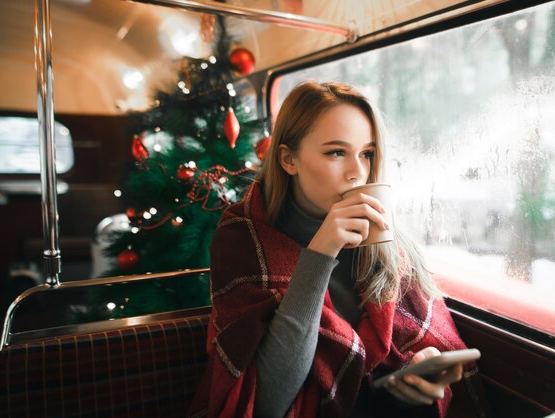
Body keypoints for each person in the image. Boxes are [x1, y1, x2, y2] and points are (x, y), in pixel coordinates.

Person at [188, 81, 489, 418]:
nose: (357, 172)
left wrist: (417, 378)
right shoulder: (245, 237)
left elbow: (380, 370)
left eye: (367, 153)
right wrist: (321, 252)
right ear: (289, 159)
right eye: (336, 152)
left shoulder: (387, 239)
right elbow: (267, 402)